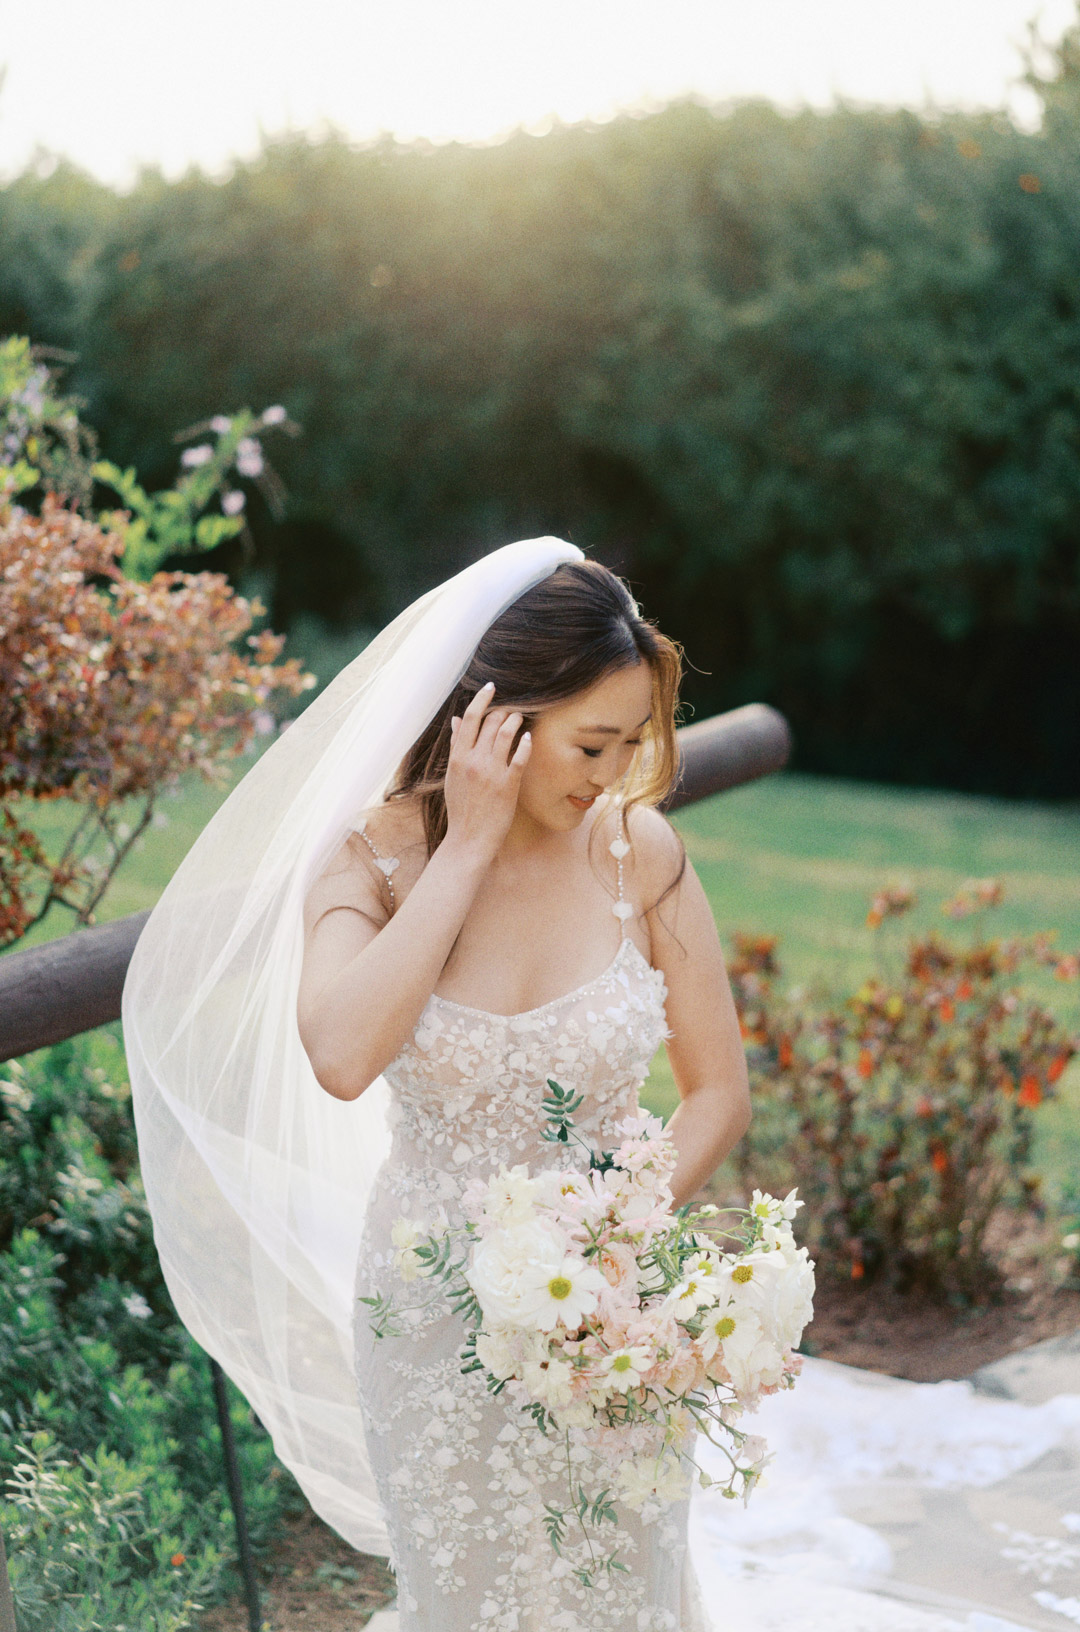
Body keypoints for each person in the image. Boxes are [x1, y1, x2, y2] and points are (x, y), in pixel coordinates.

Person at [296, 555, 749, 1630]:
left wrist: (616, 1246)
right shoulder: (369, 864)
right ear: (491, 717)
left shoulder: (642, 858)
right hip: (433, 1321)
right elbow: (343, 1054)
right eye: (594, 744)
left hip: (614, 1319)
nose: (616, 772)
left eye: (634, 743)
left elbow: (717, 1092)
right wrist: (472, 842)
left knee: (617, 1594)